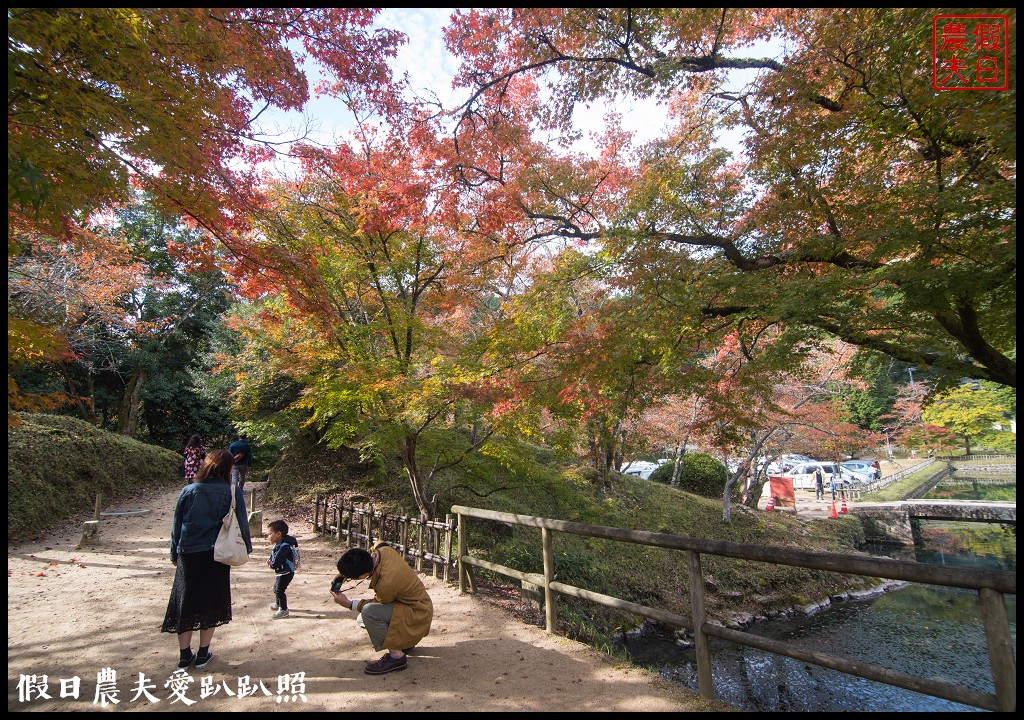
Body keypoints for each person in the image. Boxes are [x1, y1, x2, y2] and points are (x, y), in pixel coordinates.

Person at [161, 449, 252, 671]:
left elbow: (176, 525)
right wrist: (246, 547)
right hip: (216, 553)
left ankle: (184, 656)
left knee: (185, 600)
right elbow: (242, 521)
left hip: (189, 552)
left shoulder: (188, 490)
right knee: (210, 601)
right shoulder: (231, 491)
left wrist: (175, 552)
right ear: (228, 469)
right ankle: (203, 654)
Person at [330, 542, 433, 675]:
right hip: (420, 607)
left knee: (368, 614)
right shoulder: (384, 551)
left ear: (362, 577)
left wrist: (348, 604)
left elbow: (376, 604)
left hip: (418, 616)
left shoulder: (386, 583)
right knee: (362, 619)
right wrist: (344, 574)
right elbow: (378, 544)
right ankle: (404, 642)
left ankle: (397, 657)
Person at [267, 519, 298, 620]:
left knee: (280, 590)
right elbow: (275, 555)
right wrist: (271, 560)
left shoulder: (284, 546)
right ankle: (278, 604)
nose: (268, 537)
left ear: (278, 534)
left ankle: (284, 610)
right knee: (276, 588)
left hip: (286, 572)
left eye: (270, 534)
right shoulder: (280, 544)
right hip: (281, 572)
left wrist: (272, 564)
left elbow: (278, 559)